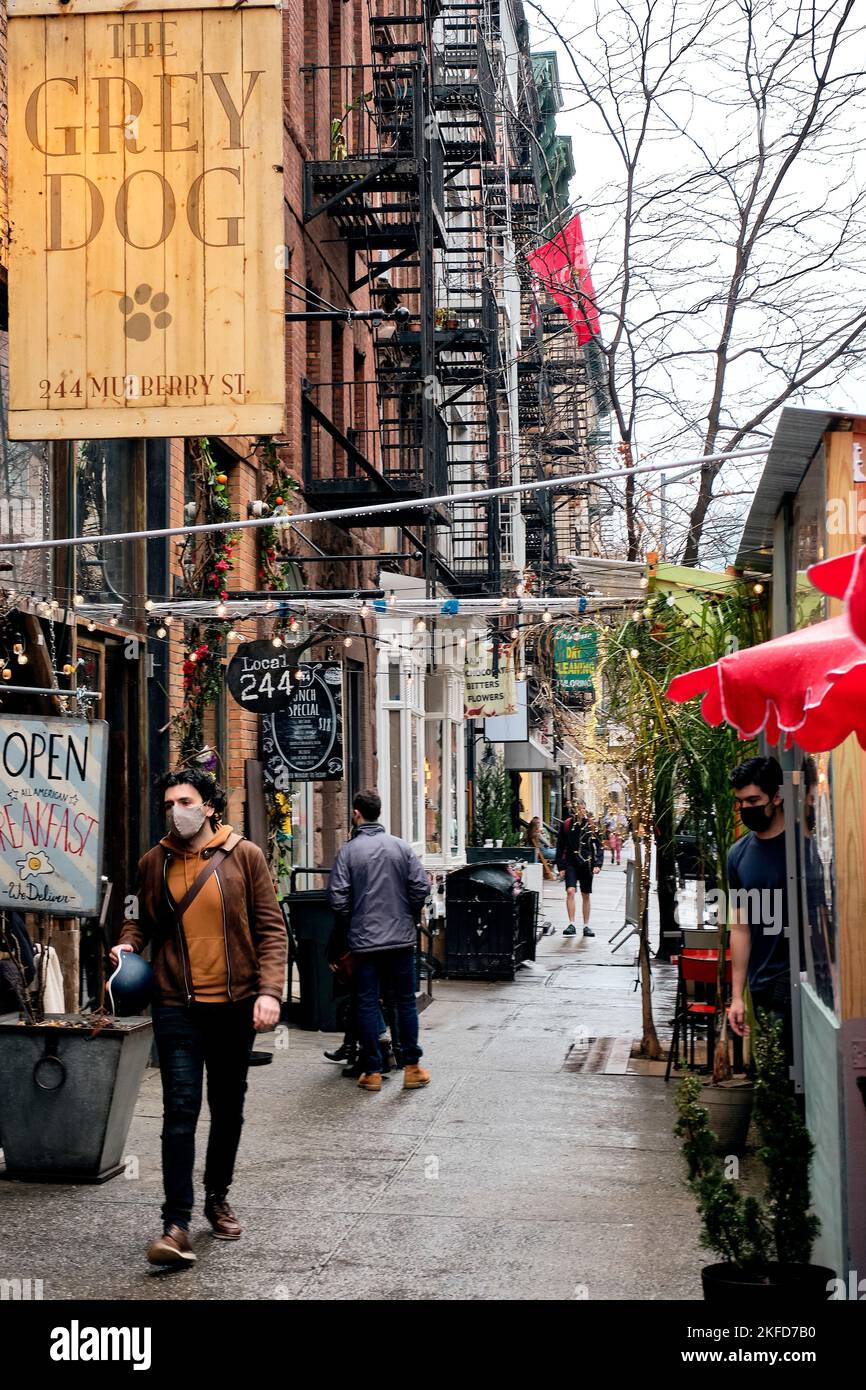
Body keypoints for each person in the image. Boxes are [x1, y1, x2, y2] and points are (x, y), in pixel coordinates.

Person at [112, 768, 287, 1267]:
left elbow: (272, 929)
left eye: (185, 801)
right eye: (169, 803)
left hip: (233, 1006)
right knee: (180, 1113)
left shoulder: (244, 856)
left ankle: (216, 1196)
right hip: (176, 1006)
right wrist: (129, 942)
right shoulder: (155, 861)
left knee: (228, 1109)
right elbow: (139, 917)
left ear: (209, 806)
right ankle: (176, 1223)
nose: (176, 810)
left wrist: (269, 991)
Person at [327, 788, 430, 1093]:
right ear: (379, 813)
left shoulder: (348, 852)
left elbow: (337, 898)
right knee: (404, 1003)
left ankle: (372, 1071)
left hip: (365, 943)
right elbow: (420, 887)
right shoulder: (401, 848)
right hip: (401, 941)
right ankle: (411, 1067)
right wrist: (407, 914)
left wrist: (353, 921)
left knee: (367, 1003)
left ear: (356, 814)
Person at [726, 756, 793, 1062]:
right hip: (763, 987)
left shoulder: (802, 847)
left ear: (776, 796)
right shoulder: (738, 856)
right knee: (773, 1081)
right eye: (741, 802)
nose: (746, 809)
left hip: (802, 987)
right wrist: (737, 997)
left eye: (754, 800)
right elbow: (740, 929)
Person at [555, 804, 604, 937]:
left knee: (585, 894)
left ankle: (586, 925)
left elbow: (599, 846)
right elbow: (560, 846)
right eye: (578, 808)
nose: (580, 811)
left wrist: (598, 864)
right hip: (571, 862)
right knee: (570, 891)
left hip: (587, 863)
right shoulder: (567, 825)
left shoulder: (591, 825)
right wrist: (560, 866)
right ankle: (571, 924)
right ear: (574, 810)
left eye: (582, 808)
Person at [523, 816, 558, 881]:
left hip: (539, 852)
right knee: (561, 853)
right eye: (538, 823)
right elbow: (548, 844)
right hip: (544, 852)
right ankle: (553, 870)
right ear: (536, 825)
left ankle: (552, 871)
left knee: (558, 850)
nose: (540, 824)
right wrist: (543, 833)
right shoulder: (537, 834)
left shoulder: (528, 833)